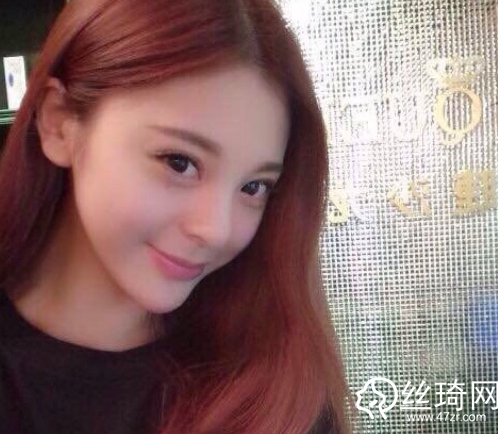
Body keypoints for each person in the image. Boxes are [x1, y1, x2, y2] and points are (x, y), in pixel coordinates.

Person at [0, 0, 355, 433]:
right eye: (179, 163)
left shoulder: (278, 399)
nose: (216, 230)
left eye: (253, 187)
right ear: (59, 124)